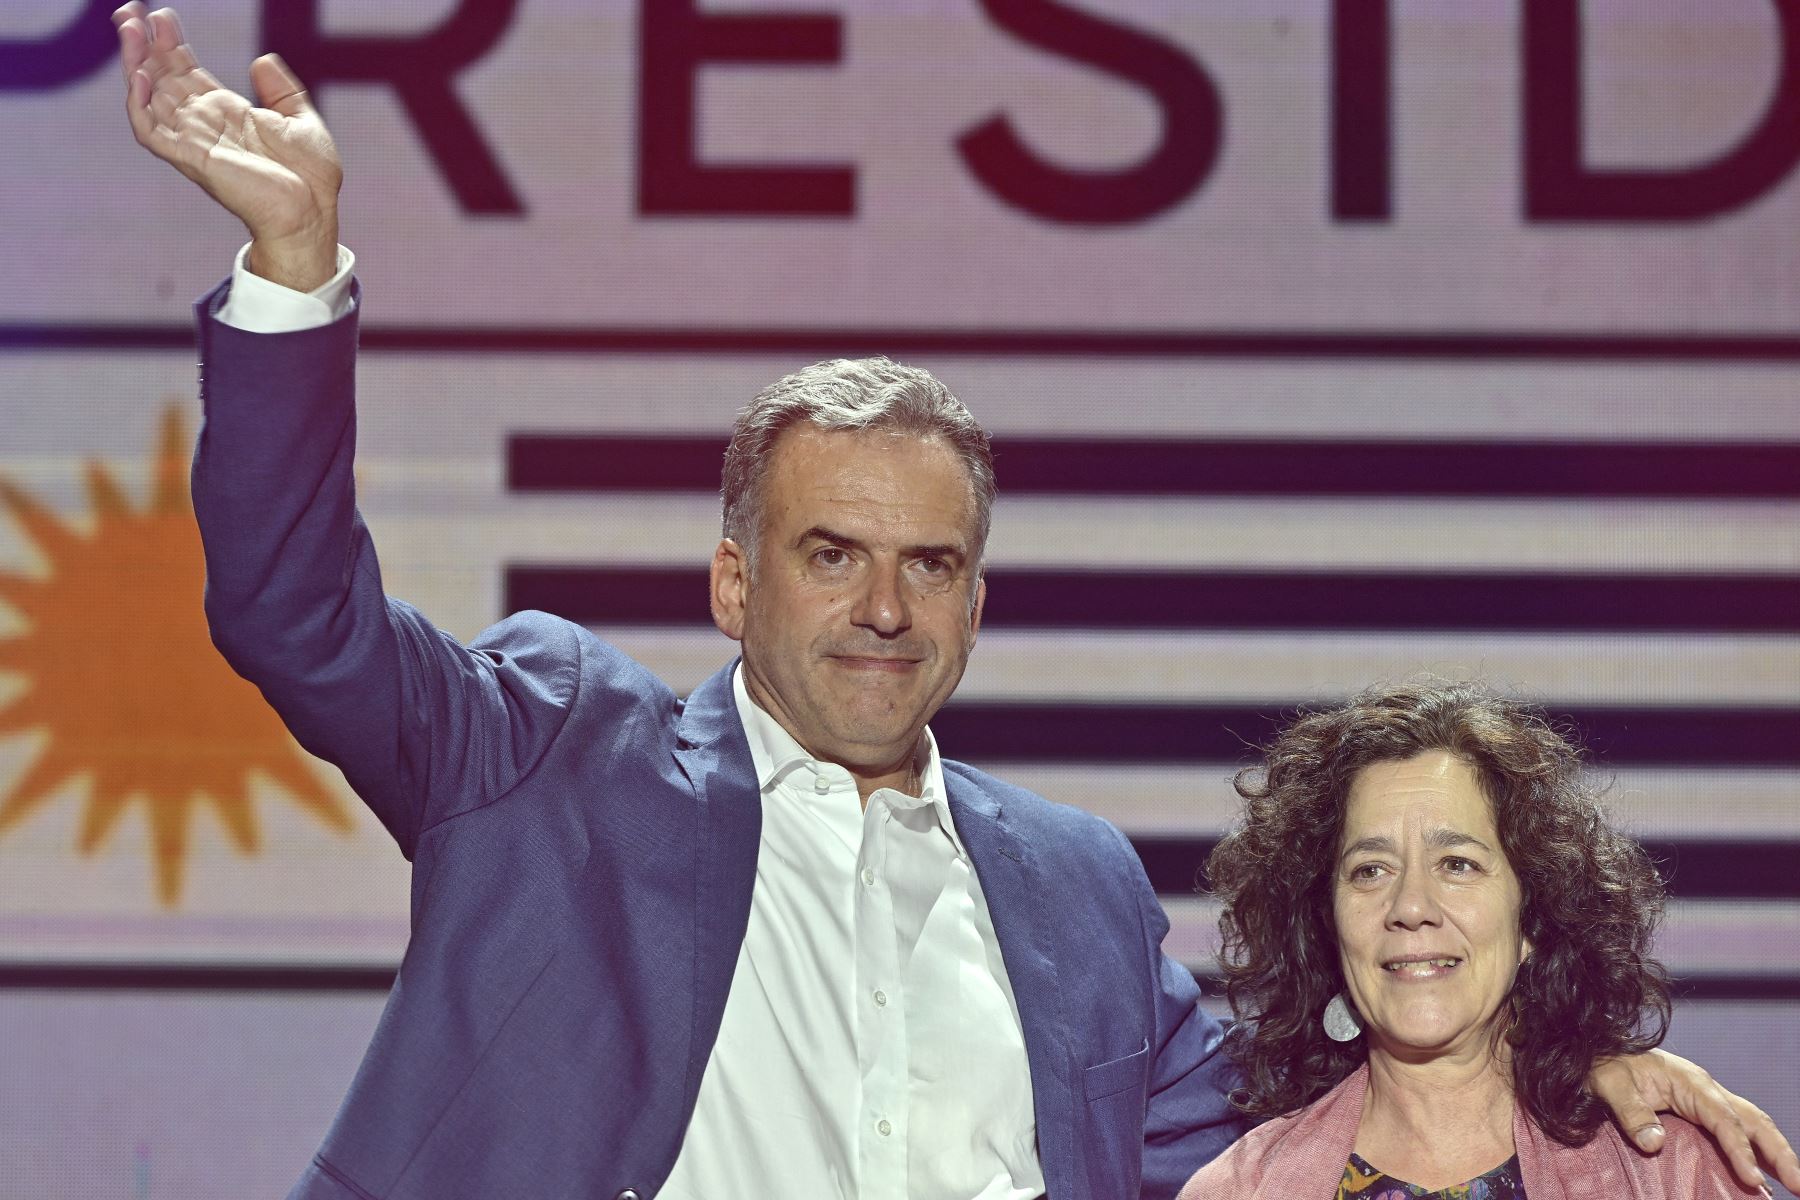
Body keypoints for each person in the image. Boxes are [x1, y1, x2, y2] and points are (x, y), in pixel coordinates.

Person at [111, 6, 1800, 1198]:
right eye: (829, 553)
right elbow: (293, 612)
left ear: (977, 605)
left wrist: (1583, 1090)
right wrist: (292, 270)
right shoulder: (549, 747)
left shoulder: (1069, 886)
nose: (882, 607)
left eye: (930, 564)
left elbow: (1284, 1145)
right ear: (730, 582)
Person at [1180, 682, 1767, 1198]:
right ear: (1328, 925)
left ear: (1532, 919)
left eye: (1457, 864)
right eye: (1370, 870)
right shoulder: (1241, 1189)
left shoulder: (1666, 1169)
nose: (1410, 907)